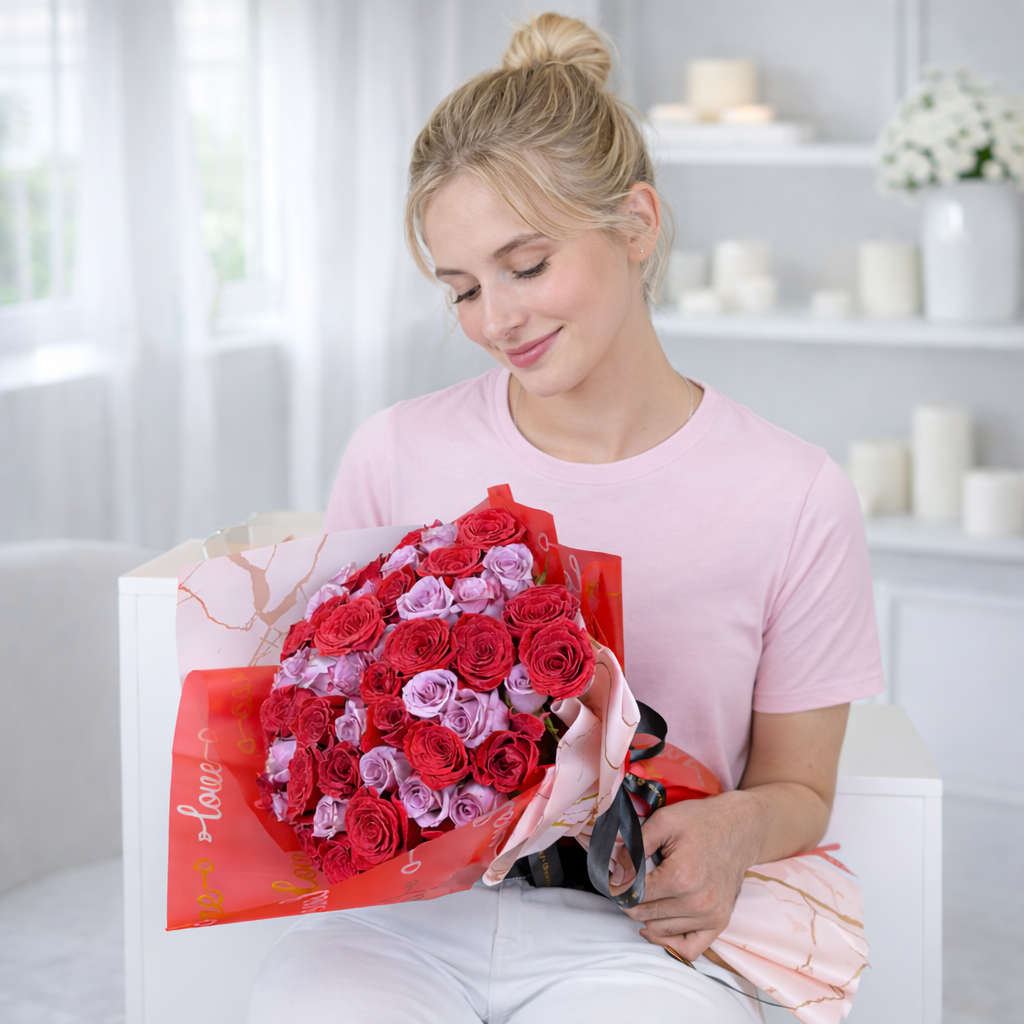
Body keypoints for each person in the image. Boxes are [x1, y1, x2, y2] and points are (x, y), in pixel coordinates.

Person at [249, 13, 884, 1023]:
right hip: (401, 920)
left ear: (636, 223)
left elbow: (801, 790)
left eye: (526, 265)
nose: (495, 318)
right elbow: (335, 711)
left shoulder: (793, 493)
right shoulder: (395, 450)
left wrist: (728, 835)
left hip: (635, 937)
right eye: (460, 288)